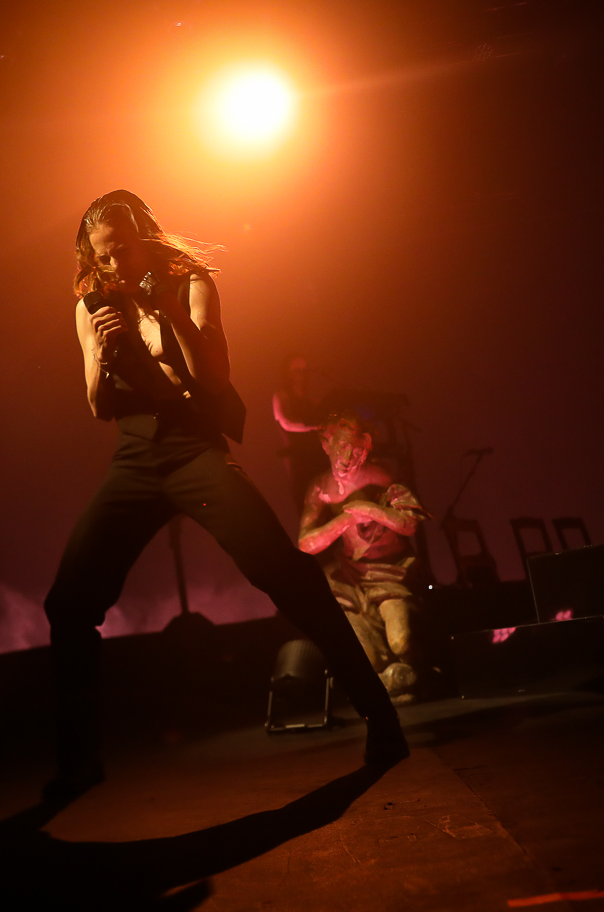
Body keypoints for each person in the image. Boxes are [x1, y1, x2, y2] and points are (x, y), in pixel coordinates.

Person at [41, 191, 407, 802]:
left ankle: (382, 719)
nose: (112, 267)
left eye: (121, 251)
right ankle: (79, 761)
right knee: (68, 605)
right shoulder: (91, 304)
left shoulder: (191, 283)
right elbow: (99, 407)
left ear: (146, 239)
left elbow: (213, 379)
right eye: (101, 258)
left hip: (193, 448)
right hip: (136, 456)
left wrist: (168, 313)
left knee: (287, 576)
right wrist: (103, 354)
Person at [298, 410, 428, 701]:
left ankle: (417, 671)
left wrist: (372, 511)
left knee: (402, 642)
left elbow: (410, 523)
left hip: (390, 573)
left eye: (358, 452)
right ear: (326, 445)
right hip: (352, 578)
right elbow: (305, 543)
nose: (349, 459)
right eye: (343, 448)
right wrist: (343, 522)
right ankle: (390, 681)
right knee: (367, 656)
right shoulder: (320, 489)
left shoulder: (380, 476)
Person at [272, 354, 330, 514]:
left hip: (318, 455)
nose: (301, 374)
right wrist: (314, 426)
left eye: (304, 370)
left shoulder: (310, 399)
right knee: (308, 504)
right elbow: (287, 423)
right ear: (287, 372)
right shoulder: (281, 395)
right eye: (296, 370)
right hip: (298, 457)